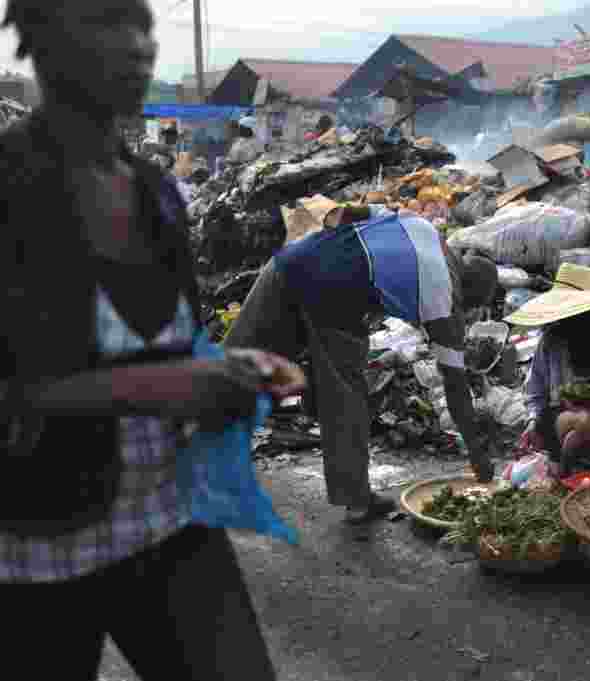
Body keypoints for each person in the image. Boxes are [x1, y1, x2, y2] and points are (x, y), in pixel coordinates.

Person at [0, 1, 306, 679]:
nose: (138, 43)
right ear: (39, 34)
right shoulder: (11, 187)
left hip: (170, 520)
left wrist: (231, 369)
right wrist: (161, 387)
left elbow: (168, 349)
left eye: (142, 23)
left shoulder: (154, 192)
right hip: (38, 544)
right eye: (108, 20)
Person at [224, 201, 499, 523]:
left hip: (290, 262)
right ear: (470, 295)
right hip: (334, 303)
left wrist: (333, 253)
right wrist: (478, 455)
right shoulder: (444, 301)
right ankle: (357, 500)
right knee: (346, 394)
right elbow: (455, 388)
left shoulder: (423, 227)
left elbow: (347, 212)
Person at [506, 264, 590, 477]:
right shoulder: (551, 341)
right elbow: (536, 393)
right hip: (561, 417)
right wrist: (533, 423)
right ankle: (565, 464)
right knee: (579, 425)